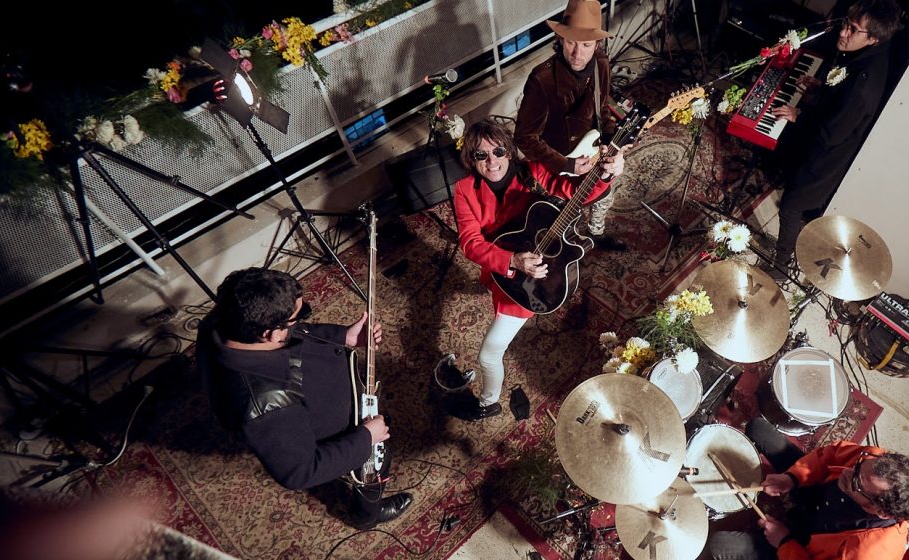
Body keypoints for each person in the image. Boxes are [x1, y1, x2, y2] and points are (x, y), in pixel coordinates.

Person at [196, 268, 412, 529]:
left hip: (317, 393)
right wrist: (366, 437)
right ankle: (367, 515)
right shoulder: (264, 406)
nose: (300, 320)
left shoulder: (227, 318)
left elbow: (299, 333)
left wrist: (344, 336)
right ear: (271, 334)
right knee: (377, 460)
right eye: (298, 315)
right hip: (335, 429)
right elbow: (300, 472)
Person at [453, 118, 624, 421]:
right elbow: (470, 242)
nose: (492, 161)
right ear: (472, 159)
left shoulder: (532, 171)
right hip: (504, 266)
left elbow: (574, 191)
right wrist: (511, 260)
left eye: (498, 151)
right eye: (481, 155)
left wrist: (605, 176)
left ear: (509, 150)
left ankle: (488, 402)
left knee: (489, 353)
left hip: (531, 281)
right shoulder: (465, 189)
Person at [765, 0, 901, 279]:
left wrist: (798, 114)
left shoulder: (863, 85)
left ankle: (780, 269)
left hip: (827, 157)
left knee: (791, 206)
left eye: (853, 29)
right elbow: (840, 97)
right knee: (798, 197)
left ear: (873, 38)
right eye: (845, 24)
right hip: (829, 139)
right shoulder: (869, 54)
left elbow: (830, 134)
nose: (843, 33)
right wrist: (820, 89)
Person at [706, 418, 909, 559]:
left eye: (856, 482)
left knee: (718, 546)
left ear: (881, 511)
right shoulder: (875, 462)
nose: (846, 472)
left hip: (807, 545)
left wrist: (784, 543)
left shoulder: (867, 554)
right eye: (857, 467)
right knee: (758, 428)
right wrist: (792, 478)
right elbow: (830, 455)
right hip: (818, 496)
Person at [514, 0, 628, 252]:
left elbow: (602, 111)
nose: (577, 54)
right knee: (554, 222)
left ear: (597, 44)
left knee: (604, 193)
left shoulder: (601, 64)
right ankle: (559, 249)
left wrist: (612, 141)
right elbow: (524, 138)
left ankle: (596, 234)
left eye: (586, 45)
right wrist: (566, 164)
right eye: (570, 43)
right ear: (561, 39)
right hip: (555, 163)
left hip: (588, 149)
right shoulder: (541, 80)